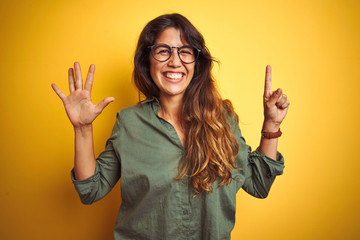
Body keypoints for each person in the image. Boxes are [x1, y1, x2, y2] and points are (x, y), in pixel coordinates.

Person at [51, 13, 289, 240]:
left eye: (185, 52)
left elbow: (258, 184)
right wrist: (82, 129)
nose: (175, 62)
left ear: (197, 62)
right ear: (148, 60)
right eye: (163, 51)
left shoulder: (223, 119)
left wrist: (272, 123)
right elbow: (91, 191)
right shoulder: (129, 122)